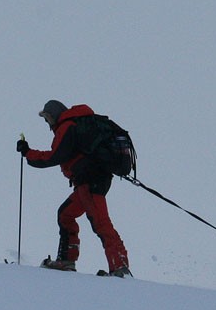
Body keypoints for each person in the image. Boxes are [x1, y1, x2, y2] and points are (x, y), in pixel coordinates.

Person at [16, 100, 131, 277]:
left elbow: (54, 157)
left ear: (53, 116)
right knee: (66, 214)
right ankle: (66, 261)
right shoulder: (77, 124)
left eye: (47, 119)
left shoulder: (67, 126)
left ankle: (120, 268)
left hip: (89, 180)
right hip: (92, 179)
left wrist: (28, 153)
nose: (47, 124)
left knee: (100, 222)